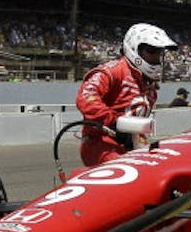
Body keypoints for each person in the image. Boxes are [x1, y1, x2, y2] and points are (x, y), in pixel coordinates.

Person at [76, 23, 177, 166]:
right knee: (131, 173)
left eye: (159, 53)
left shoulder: (150, 84)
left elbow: (138, 125)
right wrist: (114, 123)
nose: (156, 57)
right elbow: (86, 98)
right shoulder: (112, 71)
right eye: (152, 51)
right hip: (101, 144)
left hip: (130, 146)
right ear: (135, 49)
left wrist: (139, 143)